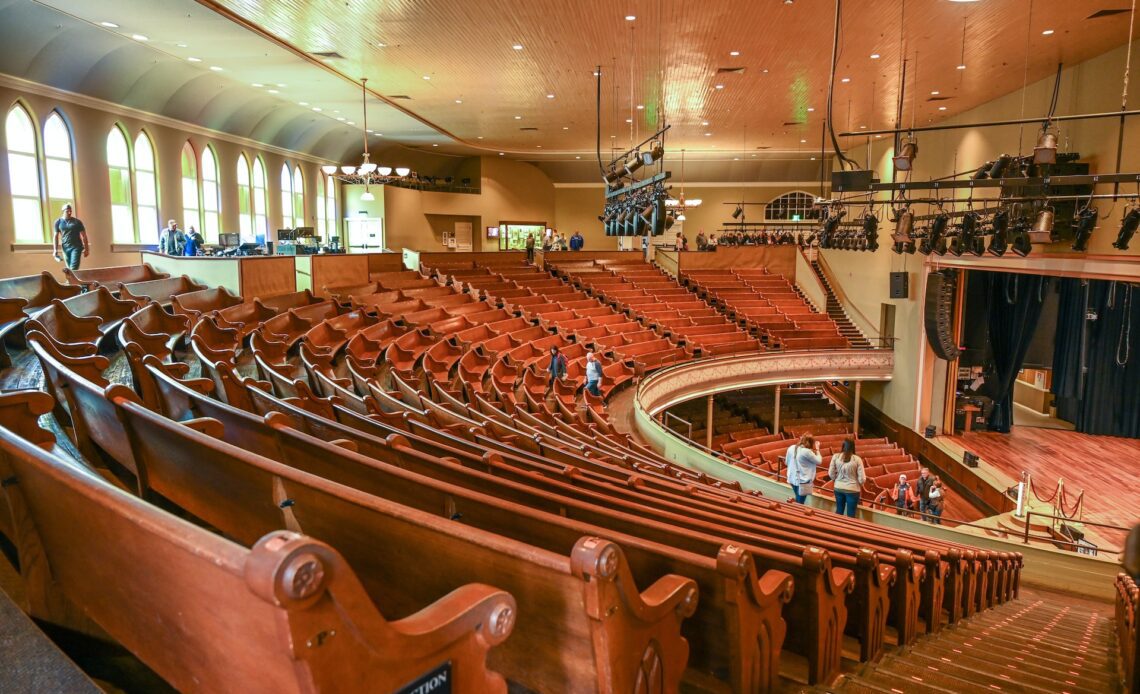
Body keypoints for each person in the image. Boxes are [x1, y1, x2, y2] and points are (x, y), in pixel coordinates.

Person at [828, 438, 866, 517]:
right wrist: (859, 484)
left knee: (839, 511)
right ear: (853, 447)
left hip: (838, 487)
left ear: (843, 446)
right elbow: (862, 478)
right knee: (851, 514)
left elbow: (830, 473)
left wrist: (836, 480)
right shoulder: (857, 459)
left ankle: (836, 528)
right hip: (853, 489)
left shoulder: (836, 456)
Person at [784, 434, 821, 504]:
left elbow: (786, 462)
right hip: (803, 481)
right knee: (800, 502)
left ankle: (795, 512)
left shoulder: (791, 447)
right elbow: (819, 461)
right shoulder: (806, 451)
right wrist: (817, 449)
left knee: (798, 499)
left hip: (792, 478)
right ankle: (796, 514)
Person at [52, 203, 89, 270]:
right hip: (65, 248)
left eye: (70, 211)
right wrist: (55, 250)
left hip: (76, 247)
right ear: (63, 211)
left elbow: (84, 236)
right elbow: (55, 236)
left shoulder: (77, 222)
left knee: (73, 268)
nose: (69, 213)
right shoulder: (58, 222)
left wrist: (86, 249)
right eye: (67, 211)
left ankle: (70, 280)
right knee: (69, 269)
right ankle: (71, 280)